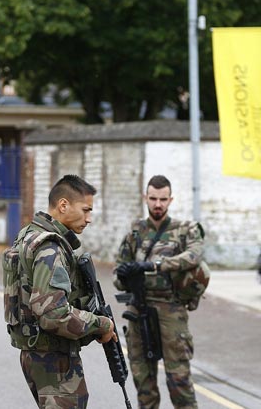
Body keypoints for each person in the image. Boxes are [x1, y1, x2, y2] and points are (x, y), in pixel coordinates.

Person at [4, 174, 117, 409]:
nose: (89, 219)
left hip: (37, 354)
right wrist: (101, 324)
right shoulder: (50, 248)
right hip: (53, 359)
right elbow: (53, 314)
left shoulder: (28, 235)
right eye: (85, 210)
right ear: (63, 205)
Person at [114, 175, 204, 409]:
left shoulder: (185, 230)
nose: (157, 204)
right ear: (145, 197)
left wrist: (156, 265)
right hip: (138, 309)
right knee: (143, 383)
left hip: (171, 310)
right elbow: (118, 271)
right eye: (153, 198)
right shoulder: (135, 232)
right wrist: (124, 276)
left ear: (170, 200)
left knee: (179, 383)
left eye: (163, 200)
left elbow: (194, 256)